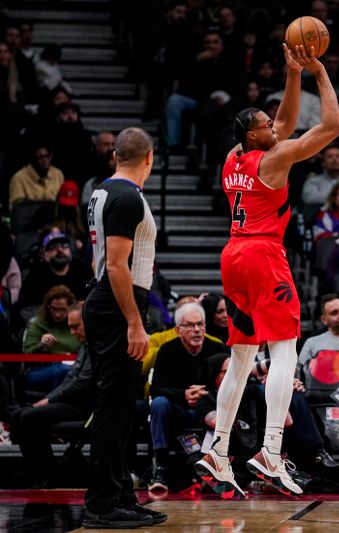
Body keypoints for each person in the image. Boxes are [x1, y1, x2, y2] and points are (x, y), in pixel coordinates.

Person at [196, 43, 339, 499]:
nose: (275, 129)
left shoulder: (233, 157)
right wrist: (318, 72)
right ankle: (271, 452)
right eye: (266, 127)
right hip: (263, 256)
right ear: (255, 137)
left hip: (233, 258)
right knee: (283, 351)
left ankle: (218, 450)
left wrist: (292, 74)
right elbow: (332, 126)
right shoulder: (275, 160)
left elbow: (282, 122)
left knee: (241, 359)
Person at [82, 127, 165, 528]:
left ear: (116, 156)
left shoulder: (102, 190)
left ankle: (120, 496)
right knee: (112, 409)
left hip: (109, 300)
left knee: (121, 407)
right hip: (119, 303)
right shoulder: (128, 198)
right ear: (149, 158)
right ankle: (100, 505)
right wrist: (134, 322)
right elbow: (116, 265)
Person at [147, 302, 228, 492]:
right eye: (190, 325)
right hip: (179, 409)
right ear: (177, 330)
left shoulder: (218, 349)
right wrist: (183, 395)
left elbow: (231, 386)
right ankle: (161, 467)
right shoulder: (167, 351)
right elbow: (156, 389)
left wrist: (205, 396)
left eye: (200, 324)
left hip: (211, 411)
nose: (197, 330)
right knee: (158, 403)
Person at [11, 301, 93, 487]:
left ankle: (45, 474)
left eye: (75, 327)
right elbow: (70, 379)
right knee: (17, 415)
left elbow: (82, 384)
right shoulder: (85, 346)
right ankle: (44, 471)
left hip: (84, 407)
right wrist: (48, 399)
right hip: (71, 403)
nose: (72, 333)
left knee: (28, 417)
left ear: (88, 322)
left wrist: (49, 400)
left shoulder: (96, 347)